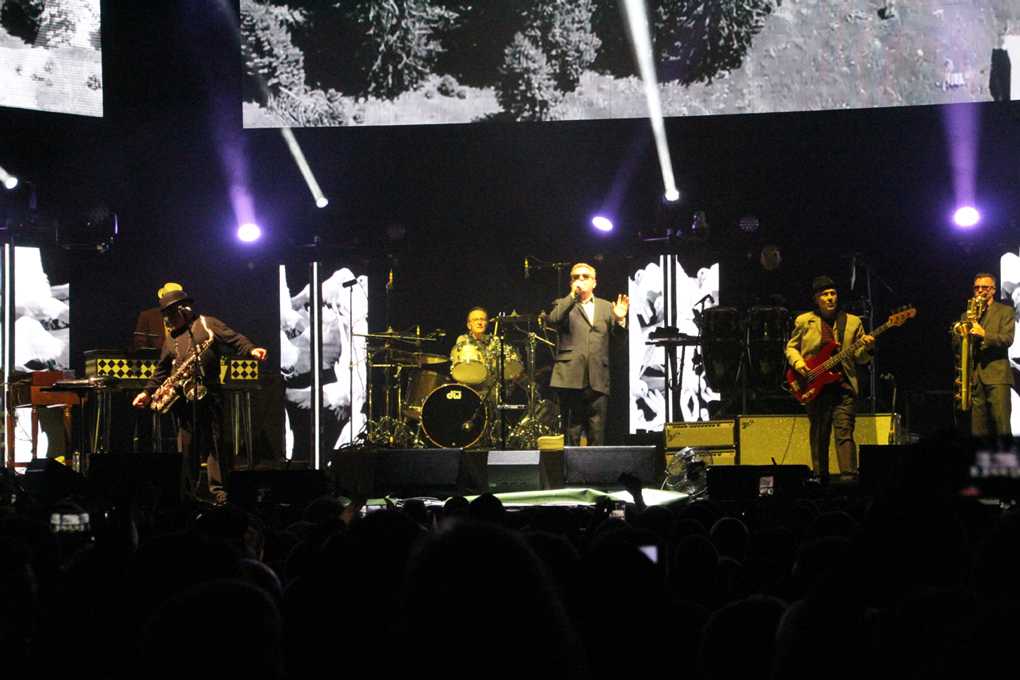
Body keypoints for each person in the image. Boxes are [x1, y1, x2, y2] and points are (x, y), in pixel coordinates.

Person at [131, 288, 267, 504]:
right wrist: (147, 392)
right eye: (165, 316)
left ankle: (219, 493)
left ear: (183, 310)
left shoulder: (207, 324)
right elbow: (161, 371)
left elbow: (234, 339)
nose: (167, 320)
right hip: (183, 403)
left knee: (215, 444)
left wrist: (251, 350)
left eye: (171, 315)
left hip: (209, 396)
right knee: (186, 448)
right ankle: (187, 493)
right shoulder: (171, 339)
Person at [785, 276, 874, 481]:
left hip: (843, 387)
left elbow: (859, 357)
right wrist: (799, 364)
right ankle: (820, 477)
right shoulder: (804, 321)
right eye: (825, 294)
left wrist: (868, 348)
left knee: (844, 432)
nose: (830, 298)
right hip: (814, 386)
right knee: (819, 434)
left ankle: (849, 477)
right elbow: (791, 347)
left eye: (833, 293)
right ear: (817, 299)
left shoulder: (853, 322)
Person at [547, 262, 628, 446]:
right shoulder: (562, 304)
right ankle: (569, 466)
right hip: (570, 377)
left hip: (598, 377)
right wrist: (571, 296)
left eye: (585, 277)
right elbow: (553, 319)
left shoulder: (606, 307)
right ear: (570, 282)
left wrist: (620, 320)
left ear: (594, 282)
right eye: (576, 277)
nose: (581, 280)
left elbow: (618, 343)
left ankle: (595, 466)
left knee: (597, 433)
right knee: (571, 433)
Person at [954, 272, 1014, 437]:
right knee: (978, 429)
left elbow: (1007, 339)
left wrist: (984, 334)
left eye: (985, 287)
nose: (980, 291)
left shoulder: (1005, 311)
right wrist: (959, 336)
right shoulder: (967, 315)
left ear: (993, 290)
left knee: (1001, 426)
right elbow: (959, 346)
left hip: (997, 377)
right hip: (974, 379)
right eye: (977, 288)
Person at [131, 282, 181, 352]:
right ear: (162, 300)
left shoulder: (185, 316)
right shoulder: (147, 316)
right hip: (155, 357)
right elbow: (139, 344)